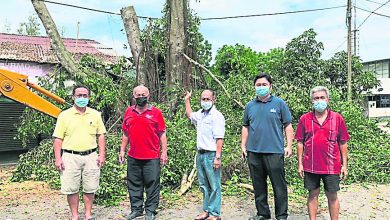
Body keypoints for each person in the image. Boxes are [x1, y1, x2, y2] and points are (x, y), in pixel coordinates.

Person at [241, 73, 294, 220]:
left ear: (270, 86)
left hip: (274, 153)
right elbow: (245, 126)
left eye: (264, 85)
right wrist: (243, 146)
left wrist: (289, 145)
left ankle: (281, 215)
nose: (261, 87)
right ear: (254, 87)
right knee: (258, 186)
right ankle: (263, 214)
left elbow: (288, 125)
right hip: (254, 152)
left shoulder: (279, 104)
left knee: (279, 186)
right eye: (258, 85)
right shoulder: (250, 106)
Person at [295, 86, 350, 220]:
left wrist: (344, 165)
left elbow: (343, 143)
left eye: (322, 98)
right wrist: (300, 164)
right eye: (316, 98)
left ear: (328, 100)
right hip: (311, 165)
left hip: (332, 166)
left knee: (332, 196)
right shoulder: (305, 119)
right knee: (313, 195)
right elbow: (300, 142)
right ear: (311, 101)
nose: (319, 101)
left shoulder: (337, 118)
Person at [53, 85, 106, 220]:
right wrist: (58, 158)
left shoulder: (95, 114)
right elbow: (58, 138)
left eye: (85, 95)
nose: (82, 98)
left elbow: (101, 136)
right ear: (73, 97)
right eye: (79, 95)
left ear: (88, 97)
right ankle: (75, 216)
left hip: (91, 156)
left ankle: (88, 215)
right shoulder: (64, 115)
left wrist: (101, 155)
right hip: (70, 156)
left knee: (90, 187)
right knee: (71, 188)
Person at [119, 85, 168, 220]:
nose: (141, 97)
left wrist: (164, 152)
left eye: (143, 94)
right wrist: (122, 150)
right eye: (138, 95)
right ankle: (136, 209)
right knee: (134, 184)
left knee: (152, 184)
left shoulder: (156, 113)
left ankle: (150, 211)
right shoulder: (129, 112)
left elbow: (162, 134)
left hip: (152, 156)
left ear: (148, 95)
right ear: (134, 97)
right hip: (133, 156)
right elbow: (125, 133)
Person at [184, 90, 225, 220]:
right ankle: (206, 210)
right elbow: (190, 115)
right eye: (203, 99)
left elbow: (220, 138)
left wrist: (218, 157)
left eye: (208, 99)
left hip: (211, 154)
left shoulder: (217, 116)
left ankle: (214, 213)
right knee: (203, 184)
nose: (205, 101)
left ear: (213, 99)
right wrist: (187, 100)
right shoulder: (200, 115)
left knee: (214, 185)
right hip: (200, 154)